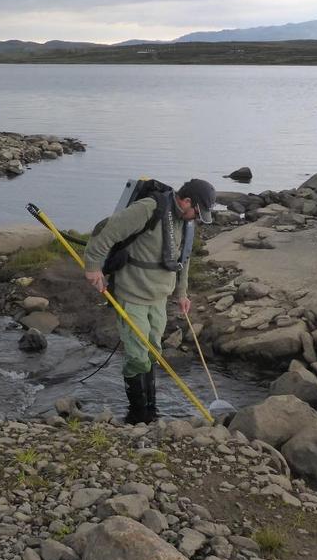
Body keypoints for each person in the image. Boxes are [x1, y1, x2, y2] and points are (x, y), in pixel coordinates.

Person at [83, 178, 217, 423]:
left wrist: (182, 293)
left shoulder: (186, 222)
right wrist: (93, 267)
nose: (197, 218)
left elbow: (183, 259)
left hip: (159, 298)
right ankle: (138, 414)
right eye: (197, 212)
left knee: (153, 351)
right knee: (137, 356)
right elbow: (106, 231)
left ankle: (151, 408)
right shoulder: (149, 208)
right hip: (132, 293)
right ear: (186, 201)